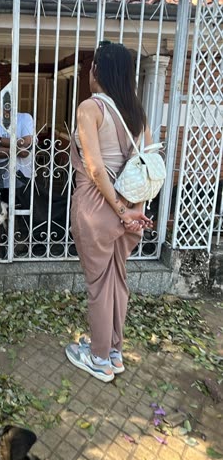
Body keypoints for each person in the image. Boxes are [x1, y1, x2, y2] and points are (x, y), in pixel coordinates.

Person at [66, 41, 154, 382]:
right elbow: (147, 167)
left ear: (96, 72)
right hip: (131, 209)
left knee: (99, 286)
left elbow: (95, 168)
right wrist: (134, 210)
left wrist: (117, 208)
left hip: (96, 208)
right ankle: (114, 349)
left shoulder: (90, 109)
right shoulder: (136, 113)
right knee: (117, 280)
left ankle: (99, 359)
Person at [0, 91, 34, 205]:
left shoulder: (25, 118)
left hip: (21, 177)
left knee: (20, 215)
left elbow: (26, 144)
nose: (7, 108)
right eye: (4, 105)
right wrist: (17, 149)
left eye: (9, 104)